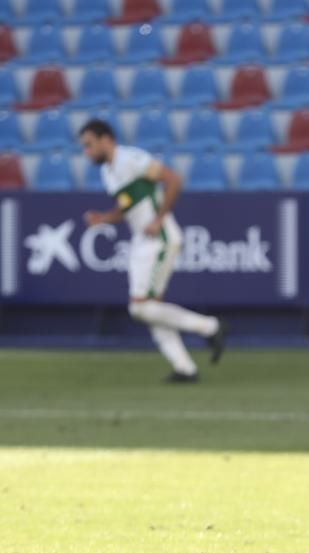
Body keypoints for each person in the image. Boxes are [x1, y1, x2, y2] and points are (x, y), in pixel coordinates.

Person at [79, 119, 227, 383]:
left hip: (160, 237)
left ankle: (210, 326)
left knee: (140, 307)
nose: (86, 152)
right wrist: (104, 218)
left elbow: (173, 180)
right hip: (141, 240)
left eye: (89, 145)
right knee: (148, 308)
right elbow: (128, 208)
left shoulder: (131, 159)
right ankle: (184, 368)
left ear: (106, 140)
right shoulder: (108, 172)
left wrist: (159, 217)